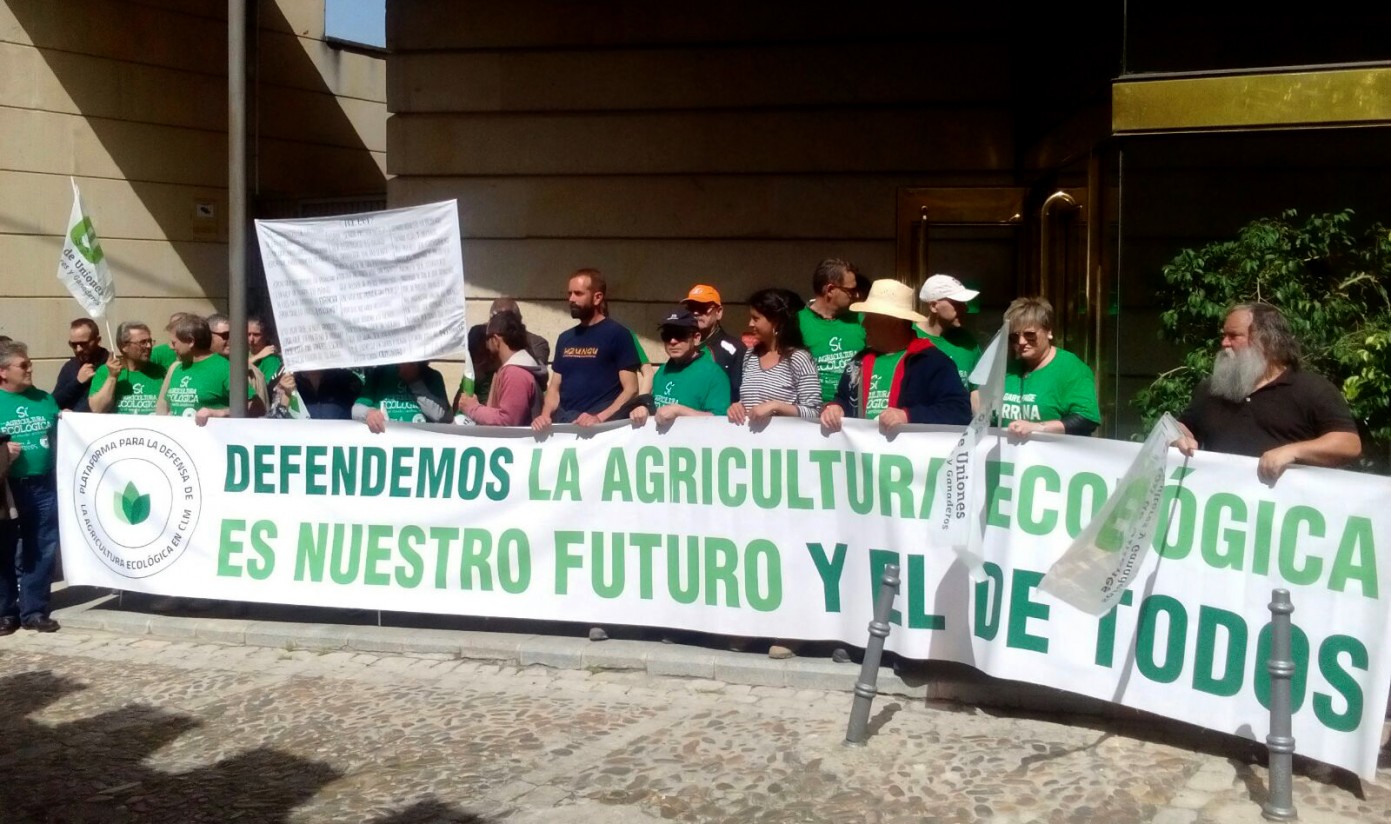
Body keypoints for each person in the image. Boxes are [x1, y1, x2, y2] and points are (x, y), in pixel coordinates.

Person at [1173, 303, 1360, 484]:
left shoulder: (1312, 389)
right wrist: (1177, 437)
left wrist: (1293, 451)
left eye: (1234, 336)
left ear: (1267, 341)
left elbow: (1348, 444)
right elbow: (1184, 428)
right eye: (1224, 336)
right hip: (1217, 506)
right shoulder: (1211, 389)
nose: (1224, 343)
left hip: (1282, 511)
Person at [820, 279, 971, 434]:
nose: (864, 324)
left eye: (871, 318)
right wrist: (835, 407)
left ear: (894, 323)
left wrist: (908, 416)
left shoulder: (932, 362)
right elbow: (843, 398)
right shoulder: (858, 361)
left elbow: (959, 412)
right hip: (863, 457)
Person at [0, 340, 61, 633]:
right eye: (23, 365)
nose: (30, 369)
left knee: (42, 546)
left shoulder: (45, 399)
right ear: (3, 372)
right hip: (7, 489)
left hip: (43, 485)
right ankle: (5, 611)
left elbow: (62, 431)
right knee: (4, 548)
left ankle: (34, 610)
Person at [533, 269, 641, 430]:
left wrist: (599, 418)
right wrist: (545, 416)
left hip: (600, 432)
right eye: (569, 294)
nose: (571, 299)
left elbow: (631, 390)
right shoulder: (565, 338)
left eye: (578, 293)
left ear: (597, 297)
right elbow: (554, 388)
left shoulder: (618, 334)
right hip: (565, 426)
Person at [998, 297, 1101, 438]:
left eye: (1030, 335)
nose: (1021, 342)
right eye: (1014, 337)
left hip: (1055, 457)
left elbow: (1086, 419)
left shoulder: (1071, 368)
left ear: (1049, 331)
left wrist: (1036, 427)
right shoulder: (1008, 370)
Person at [729, 288, 822, 426]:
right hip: (751, 445)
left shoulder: (799, 358)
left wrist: (775, 406)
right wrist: (738, 407)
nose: (750, 324)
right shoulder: (750, 355)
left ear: (776, 321)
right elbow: (752, 400)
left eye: (756, 318)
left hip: (784, 444)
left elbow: (814, 412)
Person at [630, 308, 731, 426]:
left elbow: (721, 422)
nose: (673, 341)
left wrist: (680, 411)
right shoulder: (663, 371)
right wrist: (643, 410)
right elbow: (657, 409)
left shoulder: (714, 375)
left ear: (696, 338)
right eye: (667, 335)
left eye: (680, 334)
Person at [155, 315, 263, 423]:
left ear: (191, 341)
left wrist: (218, 413)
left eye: (174, 343)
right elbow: (167, 407)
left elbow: (257, 407)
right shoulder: (177, 368)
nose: (171, 347)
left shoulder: (224, 368)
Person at [457, 311, 544, 426]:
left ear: (495, 340)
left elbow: (508, 420)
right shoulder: (511, 369)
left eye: (487, 339)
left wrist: (472, 408)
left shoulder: (515, 373)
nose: (486, 345)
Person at [798, 259, 868, 402]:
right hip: (813, 414)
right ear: (830, 290)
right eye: (850, 290)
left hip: (853, 412)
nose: (855, 295)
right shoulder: (797, 322)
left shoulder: (862, 320)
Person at [462, 298, 551, 404]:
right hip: (480, 400)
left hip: (514, 402)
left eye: (504, 320)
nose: (498, 325)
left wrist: (518, 340)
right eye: (494, 320)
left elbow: (538, 375)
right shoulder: (480, 337)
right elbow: (471, 372)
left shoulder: (537, 343)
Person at [916, 274, 984, 390]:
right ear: (933, 306)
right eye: (957, 303)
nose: (965, 308)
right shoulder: (909, 338)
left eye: (965, 303)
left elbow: (977, 391)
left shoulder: (967, 342)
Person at [682, 284, 745, 401]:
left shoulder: (734, 348)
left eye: (702, 307)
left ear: (719, 312)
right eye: (691, 308)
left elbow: (739, 392)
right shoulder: (680, 344)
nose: (695, 313)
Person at [88, 321, 165, 415]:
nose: (148, 346)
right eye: (143, 342)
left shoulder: (160, 372)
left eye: (150, 341)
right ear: (124, 346)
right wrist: (112, 377)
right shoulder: (105, 371)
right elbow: (97, 409)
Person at [354, 362, 452, 433]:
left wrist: (414, 381)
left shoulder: (432, 376)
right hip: (385, 443)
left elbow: (438, 415)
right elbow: (356, 409)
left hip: (419, 446)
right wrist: (369, 413)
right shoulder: (379, 373)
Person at [52, 318, 109, 412]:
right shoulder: (70, 367)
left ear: (98, 340)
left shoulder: (111, 365)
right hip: (74, 424)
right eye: (73, 345)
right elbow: (54, 402)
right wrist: (77, 382)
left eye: (83, 344)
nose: (78, 349)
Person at [247, 314, 283, 385]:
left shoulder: (271, 360)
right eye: (248, 334)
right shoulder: (242, 353)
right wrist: (258, 356)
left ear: (266, 336)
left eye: (256, 335)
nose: (251, 339)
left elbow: (266, 388)